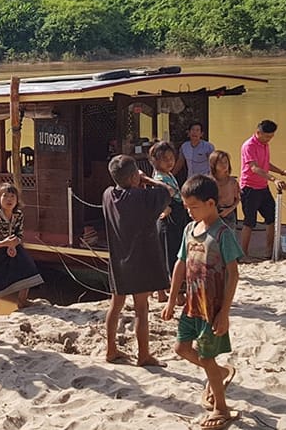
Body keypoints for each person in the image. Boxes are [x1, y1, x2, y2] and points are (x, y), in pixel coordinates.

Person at [162, 175, 243, 430]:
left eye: (193, 207)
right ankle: (219, 374)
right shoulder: (189, 229)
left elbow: (233, 273)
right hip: (192, 304)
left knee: (207, 357)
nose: (189, 212)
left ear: (210, 203)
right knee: (181, 348)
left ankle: (222, 408)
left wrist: (225, 313)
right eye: (186, 208)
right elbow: (180, 264)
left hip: (212, 307)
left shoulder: (222, 233)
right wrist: (172, 298)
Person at [101, 154, 172, 366]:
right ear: (134, 177)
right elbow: (167, 191)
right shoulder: (142, 197)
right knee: (142, 309)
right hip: (141, 257)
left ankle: (111, 350)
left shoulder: (107, 195)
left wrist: (135, 180)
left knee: (115, 306)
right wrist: (148, 180)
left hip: (118, 259)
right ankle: (144, 355)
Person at [239, 120, 286, 258]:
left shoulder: (265, 145)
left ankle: (270, 251)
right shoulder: (249, 146)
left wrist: (283, 172)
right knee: (249, 222)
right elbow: (254, 168)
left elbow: (265, 164)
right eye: (266, 136)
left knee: (272, 217)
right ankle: (243, 254)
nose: (268, 139)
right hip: (249, 188)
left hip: (263, 187)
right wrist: (274, 179)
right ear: (258, 132)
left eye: (271, 137)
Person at [0, 182, 44, 315]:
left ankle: (22, 300)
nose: (9, 199)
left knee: (28, 268)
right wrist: (4, 244)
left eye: (12, 196)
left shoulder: (18, 215)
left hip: (13, 248)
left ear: (17, 200)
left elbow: (19, 234)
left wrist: (15, 244)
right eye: (5, 196)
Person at [150, 141, 187, 275]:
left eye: (171, 158)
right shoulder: (159, 177)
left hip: (177, 213)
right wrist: (165, 207)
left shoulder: (168, 174)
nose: (169, 162)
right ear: (156, 161)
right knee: (170, 250)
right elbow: (159, 195)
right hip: (169, 217)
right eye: (165, 159)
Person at [209, 150, 241, 226]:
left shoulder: (233, 182)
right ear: (214, 164)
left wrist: (229, 210)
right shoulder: (210, 182)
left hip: (229, 214)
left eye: (226, 162)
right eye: (220, 162)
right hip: (213, 213)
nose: (224, 165)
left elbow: (238, 199)